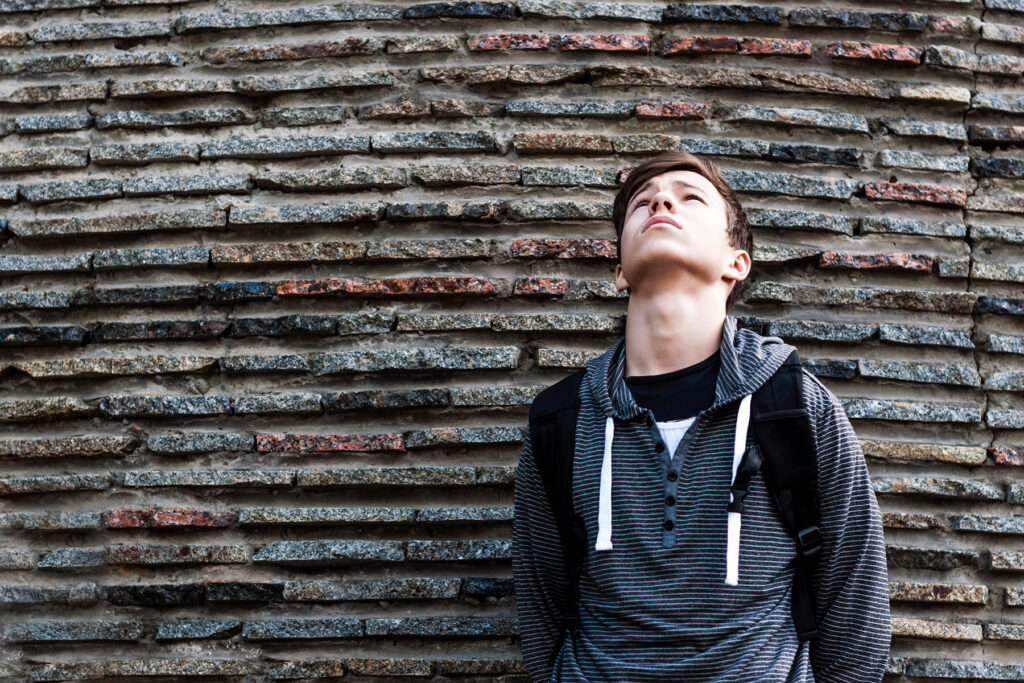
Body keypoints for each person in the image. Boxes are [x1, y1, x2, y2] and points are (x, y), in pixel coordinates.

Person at [511, 151, 891, 682]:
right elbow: (541, 609)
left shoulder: (796, 406)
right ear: (619, 271)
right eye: (642, 203)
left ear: (736, 263)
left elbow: (857, 612)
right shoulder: (562, 421)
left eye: (690, 197)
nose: (662, 201)